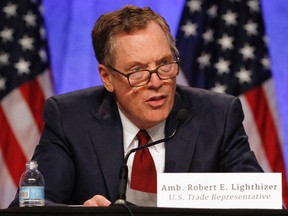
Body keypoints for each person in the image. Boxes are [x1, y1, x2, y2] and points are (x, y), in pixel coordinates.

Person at [9, 5, 263, 207]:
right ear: (107, 77)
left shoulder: (217, 116)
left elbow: (260, 203)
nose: (156, 82)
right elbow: (29, 207)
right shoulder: (71, 118)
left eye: (165, 64)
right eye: (137, 71)